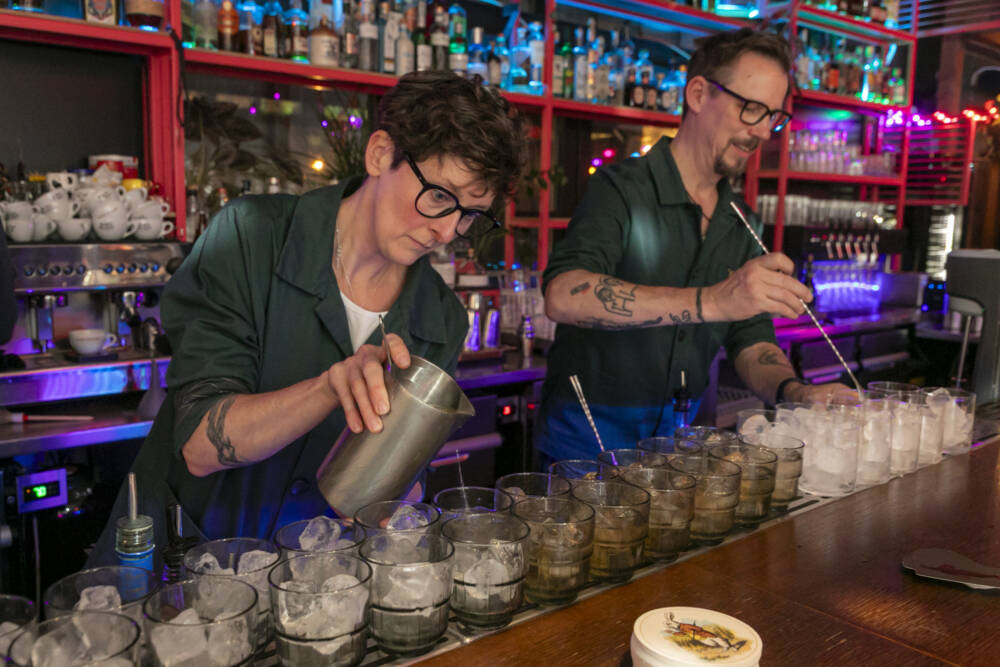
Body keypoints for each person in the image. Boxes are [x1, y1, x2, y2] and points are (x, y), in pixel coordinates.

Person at [87, 71, 527, 568]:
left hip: (317, 580)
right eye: (440, 196)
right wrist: (328, 388)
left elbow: (398, 479)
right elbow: (199, 446)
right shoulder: (251, 237)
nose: (447, 232)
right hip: (182, 566)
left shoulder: (440, 317)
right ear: (380, 154)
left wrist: (395, 497)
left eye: (470, 214)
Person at [538, 28, 855, 462]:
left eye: (773, 117)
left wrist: (795, 392)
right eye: (752, 109)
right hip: (589, 438)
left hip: (682, 439)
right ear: (699, 94)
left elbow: (752, 340)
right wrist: (713, 301)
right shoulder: (622, 189)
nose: (764, 132)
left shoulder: (742, 220)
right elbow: (562, 295)